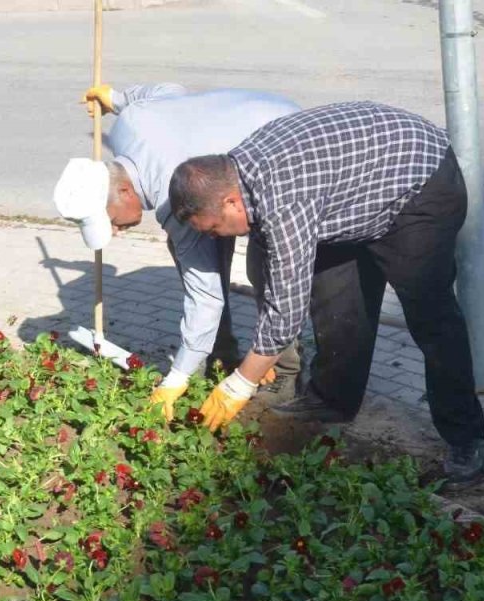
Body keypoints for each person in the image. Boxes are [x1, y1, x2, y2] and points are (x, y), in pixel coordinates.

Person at [166, 101, 484, 482]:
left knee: (430, 317)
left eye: (213, 228)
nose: (214, 237)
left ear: (231, 201)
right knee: (336, 300)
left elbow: (285, 312)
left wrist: (241, 382)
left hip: (418, 188)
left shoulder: (282, 198)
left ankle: (466, 436)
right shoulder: (239, 175)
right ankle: (330, 402)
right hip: (354, 195)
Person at [52, 82, 304, 418]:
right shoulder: (130, 125)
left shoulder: (176, 194)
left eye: (110, 220)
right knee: (193, 247)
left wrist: (177, 376)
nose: (114, 231)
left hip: (283, 146)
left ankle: (284, 373)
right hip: (260, 107)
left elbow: (206, 296)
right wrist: (117, 99)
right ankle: (219, 352)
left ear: (125, 190)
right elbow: (167, 91)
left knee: (270, 266)